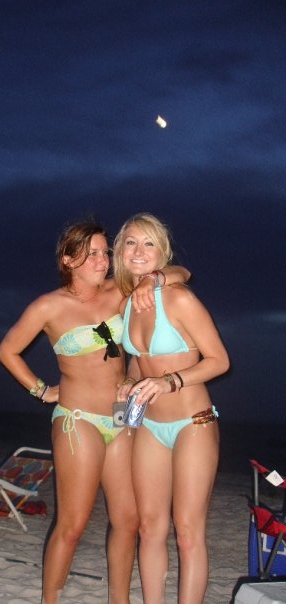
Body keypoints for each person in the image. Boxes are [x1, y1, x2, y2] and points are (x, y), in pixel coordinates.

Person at [0, 220, 190, 604]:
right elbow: (7, 350)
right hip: (78, 419)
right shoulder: (49, 306)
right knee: (72, 525)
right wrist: (41, 390)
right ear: (68, 260)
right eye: (92, 254)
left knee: (128, 520)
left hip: (120, 418)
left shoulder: (121, 290)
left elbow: (182, 273)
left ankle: (119, 600)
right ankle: (50, 599)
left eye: (105, 252)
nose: (103, 261)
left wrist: (153, 280)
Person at [114, 213, 230, 604]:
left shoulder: (179, 298)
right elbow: (140, 359)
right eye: (131, 242)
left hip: (192, 423)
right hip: (149, 427)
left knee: (187, 531)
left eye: (149, 243)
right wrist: (129, 381)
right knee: (150, 528)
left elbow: (219, 361)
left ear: (162, 252)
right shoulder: (127, 304)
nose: (139, 251)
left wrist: (170, 381)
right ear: (120, 251)